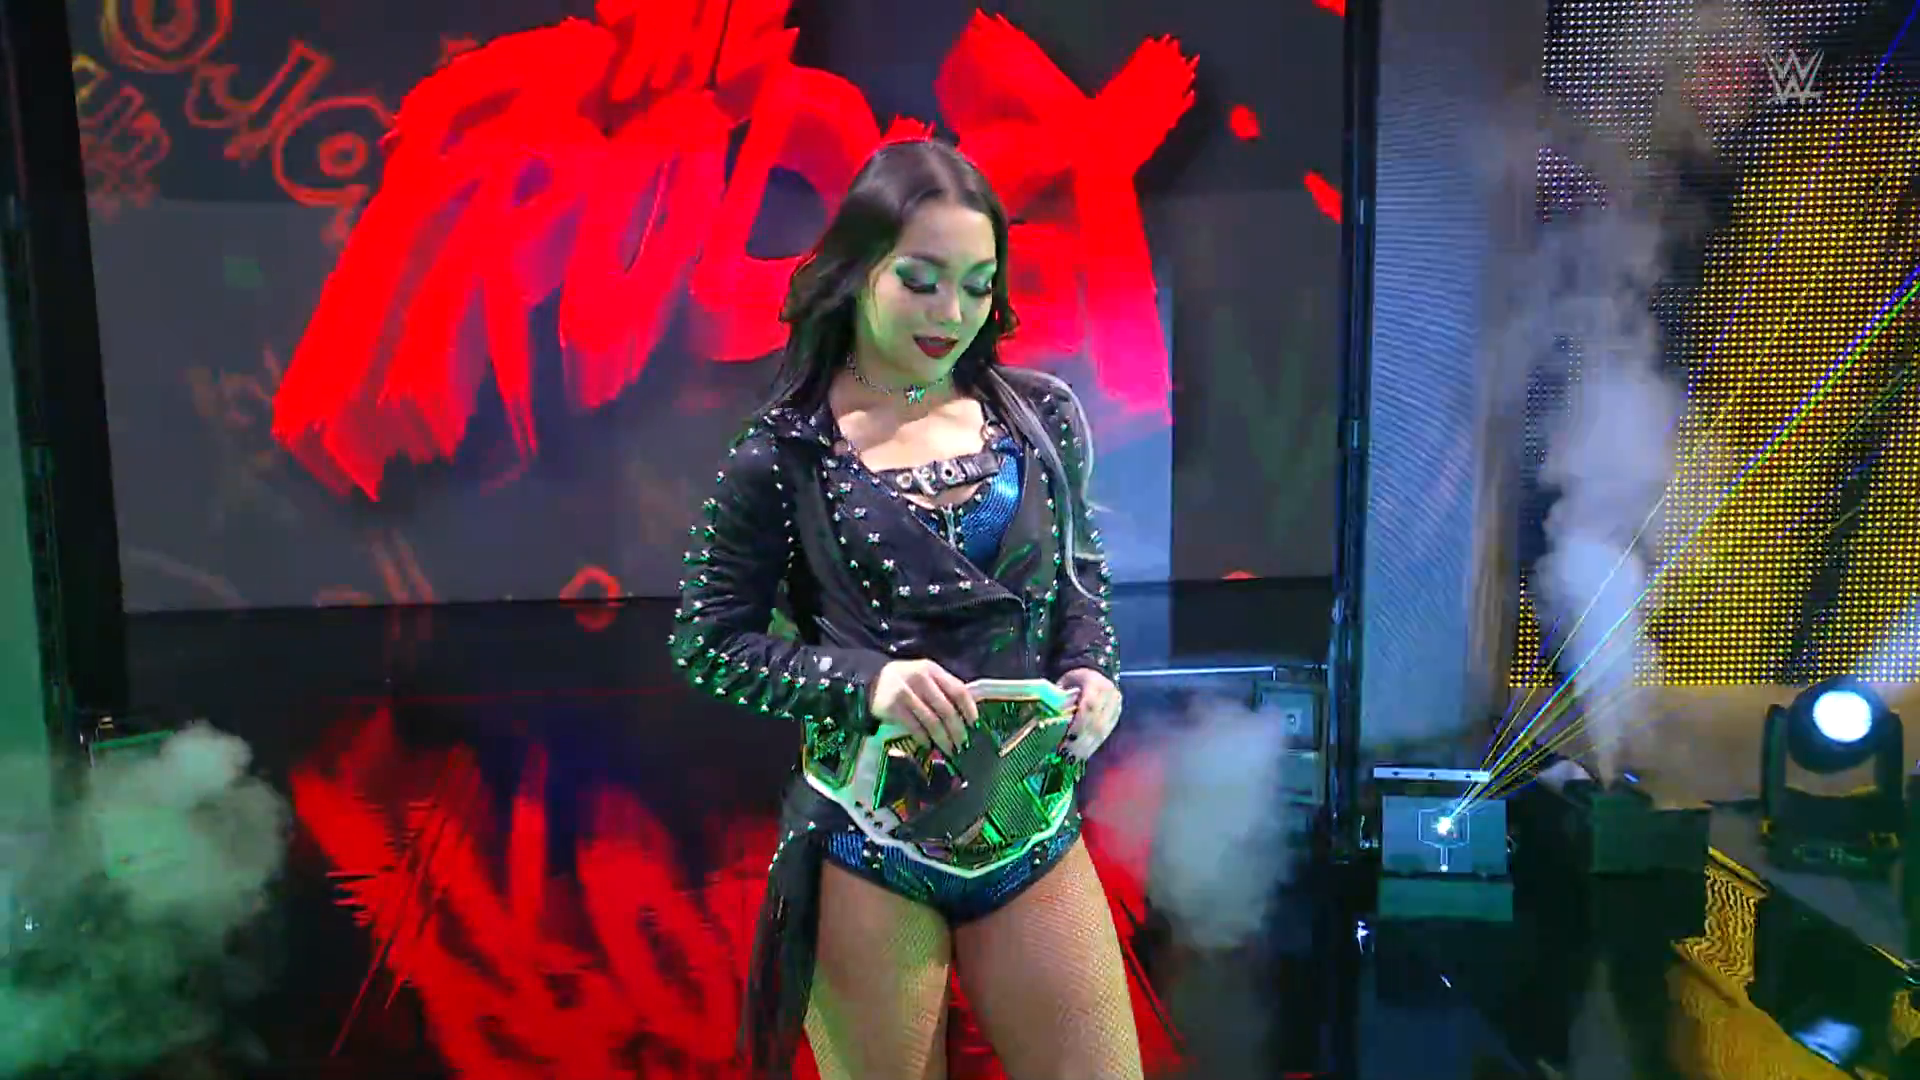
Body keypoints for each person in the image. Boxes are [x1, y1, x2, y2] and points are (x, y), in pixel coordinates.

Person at [668, 138, 1139, 1079]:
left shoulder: (1041, 418)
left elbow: (1080, 589)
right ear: (858, 271)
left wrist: (1095, 672)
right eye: (921, 281)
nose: (951, 313)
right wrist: (865, 682)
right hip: (864, 841)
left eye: (977, 286)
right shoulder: (783, 453)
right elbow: (707, 643)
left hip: (1032, 825)